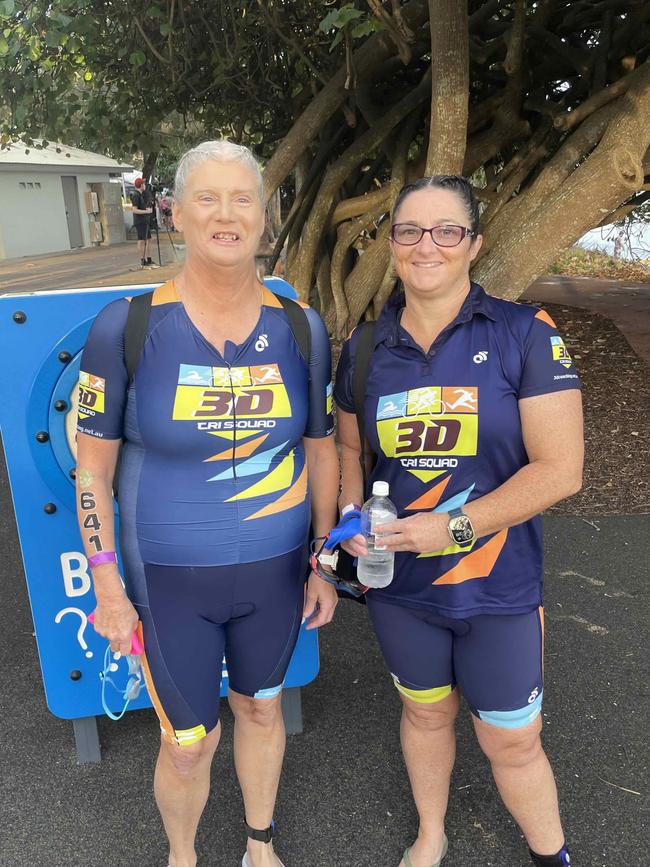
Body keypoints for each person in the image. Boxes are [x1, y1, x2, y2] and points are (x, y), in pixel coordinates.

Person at [76, 140, 339, 867]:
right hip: (166, 579)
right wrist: (106, 581)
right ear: (177, 213)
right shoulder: (125, 327)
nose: (227, 214)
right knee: (188, 743)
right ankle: (183, 855)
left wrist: (325, 560)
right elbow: (91, 472)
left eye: (243, 198)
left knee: (261, 707)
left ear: (264, 216)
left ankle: (260, 844)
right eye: (208, 198)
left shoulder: (299, 328)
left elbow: (321, 449)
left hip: (276, 572)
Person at [335, 175, 583, 867]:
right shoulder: (362, 349)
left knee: (512, 740)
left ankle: (551, 854)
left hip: (497, 588)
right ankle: (431, 832)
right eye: (410, 230)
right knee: (424, 712)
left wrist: (455, 527)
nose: (427, 245)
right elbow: (352, 448)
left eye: (447, 230)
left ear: (473, 244)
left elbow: (561, 469)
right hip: (401, 590)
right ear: (392, 244)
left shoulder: (524, 333)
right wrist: (352, 515)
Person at [130, 176, 158, 269]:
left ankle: (148, 259)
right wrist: (146, 211)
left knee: (148, 239)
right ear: (140, 185)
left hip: (144, 220)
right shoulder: (136, 195)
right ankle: (143, 260)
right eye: (143, 183)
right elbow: (134, 210)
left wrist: (146, 209)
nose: (144, 185)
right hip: (140, 221)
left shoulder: (141, 195)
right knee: (142, 241)